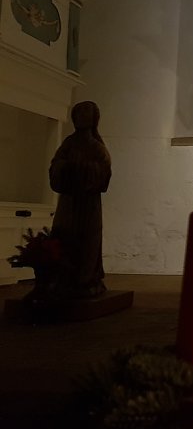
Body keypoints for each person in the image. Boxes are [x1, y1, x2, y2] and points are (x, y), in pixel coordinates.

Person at [49, 101, 112, 298]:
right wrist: (66, 168)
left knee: (88, 240)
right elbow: (56, 165)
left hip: (88, 203)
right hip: (69, 202)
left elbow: (104, 172)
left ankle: (86, 279)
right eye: (79, 114)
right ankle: (64, 279)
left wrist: (84, 170)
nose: (82, 118)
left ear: (94, 119)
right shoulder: (69, 143)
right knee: (65, 236)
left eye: (87, 114)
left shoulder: (97, 147)